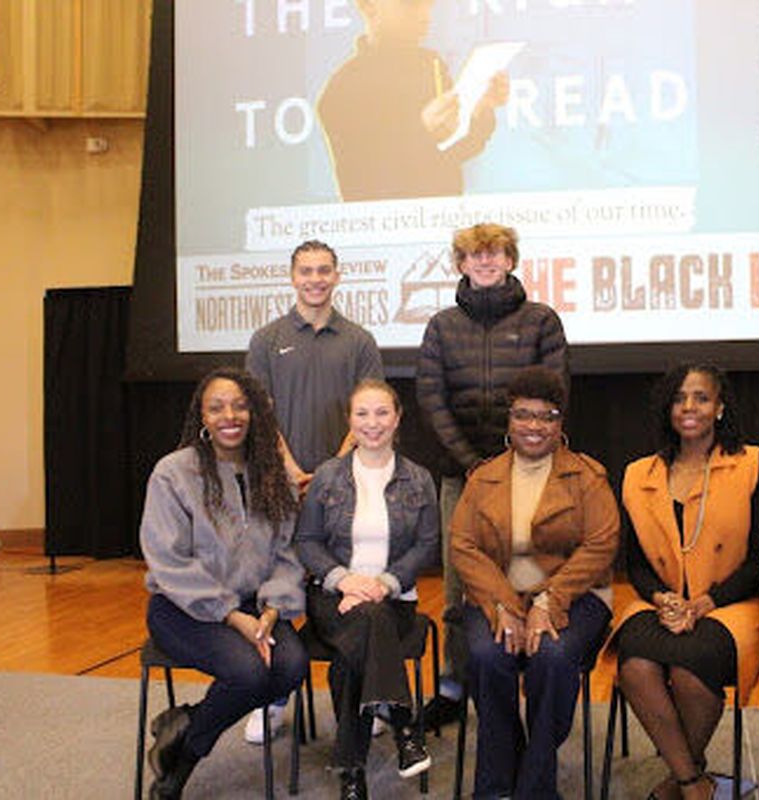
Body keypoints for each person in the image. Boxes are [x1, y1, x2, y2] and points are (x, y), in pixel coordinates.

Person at [417, 222, 570, 726]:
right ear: (460, 264)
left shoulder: (541, 321)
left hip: (530, 473)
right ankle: (454, 684)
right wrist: (474, 466)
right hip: (462, 478)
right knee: (461, 586)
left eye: (495, 254)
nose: (484, 262)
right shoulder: (441, 326)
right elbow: (431, 399)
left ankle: (528, 673)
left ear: (510, 260)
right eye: (473, 256)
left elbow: (552, 394)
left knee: (531, 573)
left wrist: (510, 463)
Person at [612, 363, 759, 800]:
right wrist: (662, 598)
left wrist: (705, 602)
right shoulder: (638, 475)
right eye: (680, 398)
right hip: (662, 605)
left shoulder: (752, 464)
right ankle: (693, 781)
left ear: (720, 408)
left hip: (736, 604)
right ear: (667, 410)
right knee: (634, 665)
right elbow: (635, 563)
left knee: (690, 671)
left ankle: (681, 778)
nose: (689, 407)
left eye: (702, 398)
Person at [140, 367, 308, 799]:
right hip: (184, 608)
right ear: (202, 415)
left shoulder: (275, 476)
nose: (229, 415)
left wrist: (271, 611)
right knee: (249, 674)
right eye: (216, 407)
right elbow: (167, 562)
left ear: (255, 414)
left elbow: (288, 554)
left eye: (239, 405)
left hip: (258, 606)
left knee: (291, 666)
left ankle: (184, 728)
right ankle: (181, 768)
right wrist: (233, 618)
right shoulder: (173, 473)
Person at [451, 366, 618, 799]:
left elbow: (601, 545)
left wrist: (549, 601)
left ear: (560, 423)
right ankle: (497, 784)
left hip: (575, 596)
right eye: (524, 415)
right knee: (487, 656)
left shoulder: (588, 477)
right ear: (509, 419)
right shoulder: (482, 477)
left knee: (554, 655)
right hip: (496, 597)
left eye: (546, 416)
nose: (534, 426)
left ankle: (532, 785)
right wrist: (504, 605)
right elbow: (464, 547)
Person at [246, 238, 383, 741]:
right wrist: (291, 468)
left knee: (345, 591)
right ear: (292, 277)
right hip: (279, 486)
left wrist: (327, 472)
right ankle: (273, 697)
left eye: (324, 270)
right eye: (306, 271)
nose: (315, 279)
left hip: (345, 486)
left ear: (338, 276)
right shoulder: (266, 339)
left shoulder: (360, 340)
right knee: (278, 592)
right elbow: (258, 412)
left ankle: (365, 702)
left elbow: (367, 411)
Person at [295, 379, 439, 800]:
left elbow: (427, 546)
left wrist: (383, 584)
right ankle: (403, 723)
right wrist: (346, 580)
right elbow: (307, 542)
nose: (372, 423)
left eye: (381, 413)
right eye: (362, 414)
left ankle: (351, 773)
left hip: (392, 602)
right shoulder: (327, 476)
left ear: (397, 418)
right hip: (333, 602)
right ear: (349, 421)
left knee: (351, 660)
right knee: (367, 625)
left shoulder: (418, 479)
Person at [318, 0, 508, 201]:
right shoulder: (344, 87)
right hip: (383, 224)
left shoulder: (430, 64)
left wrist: (480, 108)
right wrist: (423, 130)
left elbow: (455, 151)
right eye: (411, 4)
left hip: (443, 218)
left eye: (429, 5)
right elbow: (367, 178)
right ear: (369, 6)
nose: (425, 15)